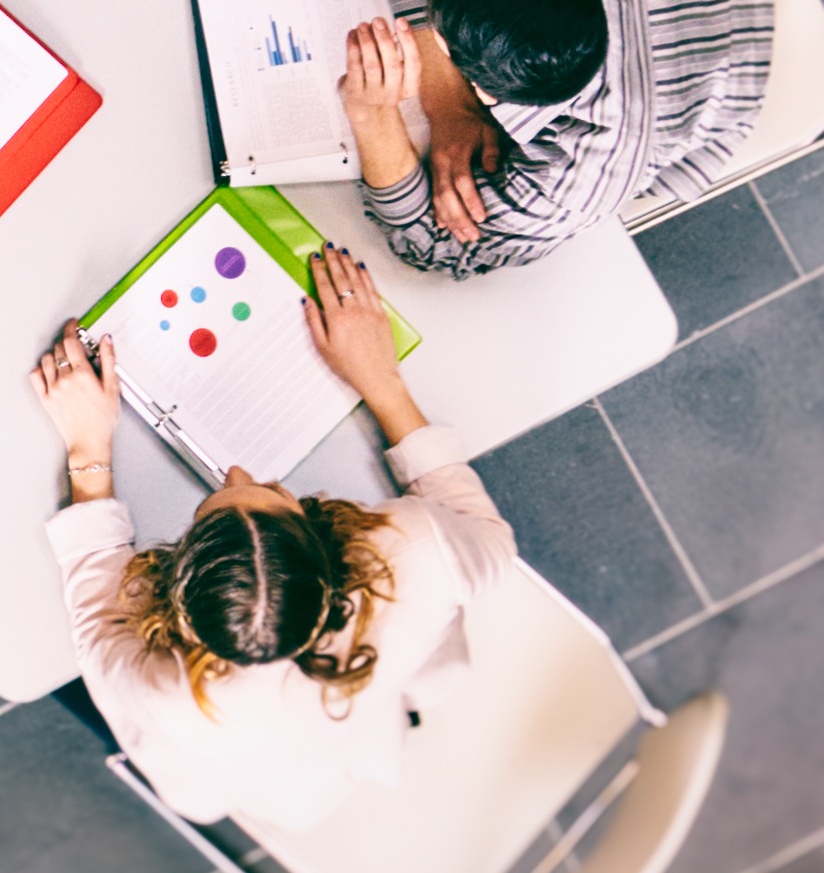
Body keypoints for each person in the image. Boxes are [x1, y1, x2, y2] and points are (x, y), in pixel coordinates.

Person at [27, 245, 517, 830]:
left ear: (176, 588)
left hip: (240, 766)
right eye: (268, 492)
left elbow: (97, 607)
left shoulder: (163, 691)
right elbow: (489, 537)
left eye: (210, 508)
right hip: (358, 717)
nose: (236, 473)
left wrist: (86, 447)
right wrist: (380, 380)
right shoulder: (416, 554)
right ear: (327, 551)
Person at [346, 0, 777, 275]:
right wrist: (445, 101)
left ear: (489, 95)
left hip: (730, 71)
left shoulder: (577, 175)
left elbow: (435, 247)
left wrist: (371, 114)